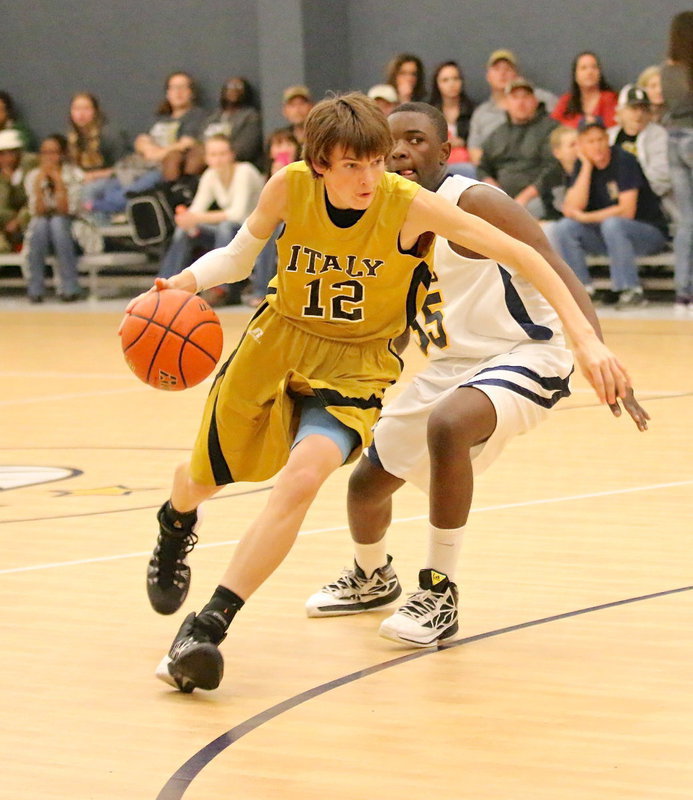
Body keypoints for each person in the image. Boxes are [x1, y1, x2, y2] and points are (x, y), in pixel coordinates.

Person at [132, 93, 631, 694]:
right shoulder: (289, 187)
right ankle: (181, 519)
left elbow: (529, 252)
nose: (374, 174)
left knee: (304, 475)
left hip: (367, 364)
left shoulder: (416, 204)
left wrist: (589, 342)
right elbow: (239, 257)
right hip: (281, 343)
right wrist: (178, 286)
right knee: (215, 479)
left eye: (379, 160)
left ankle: (208, 626)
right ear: (320, 163)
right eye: (356, 164)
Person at [305, 102, 649, 646]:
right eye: (389, 143)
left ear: (446, 152)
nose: (400, 151)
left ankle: (440, 594)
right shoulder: (383, 217)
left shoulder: (473, 201)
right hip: (451, 363)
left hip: (527, 349)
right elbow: (398, 319)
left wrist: (595, 350)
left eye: (416, 140)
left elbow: (550, 263)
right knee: (366, 484)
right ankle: (372, 578)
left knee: (449, 425)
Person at [546, 119, 669, 307]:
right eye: (590, 141)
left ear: (607, 139)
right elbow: (572, 208)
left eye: (600, 139)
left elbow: (626, 211)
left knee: (614, 223)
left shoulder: (624, 160)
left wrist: (587, 218)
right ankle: (583, 291)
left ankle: (630, 290)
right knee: (564, 228)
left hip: (647, 234)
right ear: (580, 145)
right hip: (608, 236)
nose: (597, 146)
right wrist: (586, 167)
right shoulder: (581, 165)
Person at [158, 134, 264, 284]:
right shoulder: (210, 175)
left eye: (223, 154)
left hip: (252, 233)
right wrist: (185, 218)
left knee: (226, 227)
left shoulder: (245, 171)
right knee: (184, 229)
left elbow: (238, 215)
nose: (218, 159)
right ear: (207, 158)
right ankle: (168, 282)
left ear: (232, 155)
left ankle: (220, 287)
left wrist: (196, 218)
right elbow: (196, 210)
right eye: (213, 155)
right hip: (229, 233)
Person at [476, 78, 558, 217]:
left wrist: (524, 197)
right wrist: (495, 191)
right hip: (500, 198)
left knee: (525, 212)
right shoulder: (497, 134)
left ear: (535, 101)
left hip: (538, 198)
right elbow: (483, 167)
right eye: (515, 97)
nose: (521, 103)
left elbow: (553, 169)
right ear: (506, 103)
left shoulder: (550, 129)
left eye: (526, 97)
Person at [467, 49, 558, 165]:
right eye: (497, 69)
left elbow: (561, 128)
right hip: (496, 169)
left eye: (507, 69)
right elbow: (474, 150)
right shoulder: (481, 113)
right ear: (488, 76)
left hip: (535, 164)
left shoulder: (540, 98)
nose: (502, 74)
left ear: (516, 74)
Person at [23, 134, 83, 302]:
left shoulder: (73, 174)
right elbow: (37, 210)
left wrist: (58, 181)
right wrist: (39, 185)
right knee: (40, 224)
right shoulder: (33, 176)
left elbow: (66, 209)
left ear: (62, 154)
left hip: (72, 228)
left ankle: (69, 287)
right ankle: (35, 289)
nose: (49, 157)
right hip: (42, 230)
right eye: (44, 152)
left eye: (53, 152)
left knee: (57, 223)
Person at [660, 10, 693, 310]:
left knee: (685, 221)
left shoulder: (665, 71)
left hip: (672, 139)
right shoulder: (690, 69)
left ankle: (684, 291)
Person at [608, 86, 674, 218]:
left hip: (650, 205)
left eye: (644, 109)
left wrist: (629, 190)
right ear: (620, 111)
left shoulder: (659, 135)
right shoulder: (609, 136)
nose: (639, 114)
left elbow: (661, 179)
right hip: (611, 200)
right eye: (633, 109)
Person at [134, 71, 206, 182]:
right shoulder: (159, 117)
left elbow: (186, 143)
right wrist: (149, 151)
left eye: (182, 87)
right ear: (168, 93)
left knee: (120, 195)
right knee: (102, 189)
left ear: (191, 93)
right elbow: (140, 141)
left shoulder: (196, 115)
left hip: (163, 169)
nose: (178, 92)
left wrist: (156, 154)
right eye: (173, 88)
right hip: (141, 167)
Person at [66, 92, 128, 209]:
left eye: (86, 109)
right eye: (76, 109)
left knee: (89, 190)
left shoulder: (110, 135)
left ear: (95, 111)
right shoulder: (72, 138)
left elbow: (123, 168)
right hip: (81, 180)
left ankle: (95, 226)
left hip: (112, 181)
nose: (81, 114)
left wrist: (94, 175)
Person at [195, 77, 264, 170]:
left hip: (235, 167)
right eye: (230, 86)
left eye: (238, 86)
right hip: (206, 163)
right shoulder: (213, 117)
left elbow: (245, 149)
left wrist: (219, 156)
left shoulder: (251, 116)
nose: (233, 89)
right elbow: (200, 140)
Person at [551, 52, 618, 129]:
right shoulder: (566, 100)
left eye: (594, 67)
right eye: (583, 68)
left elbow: (612, 127)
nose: (589, 72)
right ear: (575, 75)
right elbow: (552, 128)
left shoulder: (610, 98)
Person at [428, 60, 476, 167]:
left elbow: (481, 141)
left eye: (455, 78)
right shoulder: (429, 113)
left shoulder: (473, 110)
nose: (451, 84)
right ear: (437, 84)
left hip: (468, 163)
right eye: (445, 80)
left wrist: (464, 142)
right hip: (437, 164)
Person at [0, 128, 33, 253]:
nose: (6, 158)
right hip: (5, 221)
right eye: (2, 154)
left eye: (10, 153)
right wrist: (6, 182)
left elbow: (32, 200)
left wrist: (19, 220)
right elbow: (2, 206)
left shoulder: (30, 167)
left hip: (29, 217)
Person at [537, 126, 579, 222]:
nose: (578, 148)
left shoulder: (591, 168)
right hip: (560, 221)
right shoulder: (550, 177)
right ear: (557, 153)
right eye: (572, 145)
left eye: (580, 143)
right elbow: (551, 209)